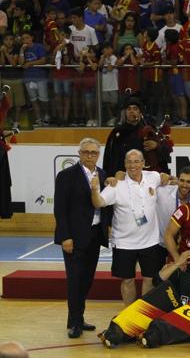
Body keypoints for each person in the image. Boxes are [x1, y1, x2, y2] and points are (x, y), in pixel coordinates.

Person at [90, 149, 168, 305]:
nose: (133, 165)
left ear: (143, 163)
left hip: (151, 241)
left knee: (149, 280)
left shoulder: (153, 177)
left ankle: (143, 314)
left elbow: (167, 178)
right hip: (124, 243)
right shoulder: (116, 184)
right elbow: (98, 202)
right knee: (127, 281)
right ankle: (129, 315)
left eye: (137, 161)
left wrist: (166, 177)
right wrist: (94, 189)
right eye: (129, 162)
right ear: (124, 164)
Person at [54, 138, 111, 338]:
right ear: (79, 153)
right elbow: (60, 209)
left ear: (98, 154)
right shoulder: (66, 176)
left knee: (87, 280)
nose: (89, 155)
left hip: (95, 236)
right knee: (75, 281)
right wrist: (65, 237)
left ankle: (77, 317)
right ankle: (75, 323)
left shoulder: (103, 174)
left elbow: (105, 204)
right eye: (85, 152)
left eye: (93, 152)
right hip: (74, 239)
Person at [102, 96, 172, 177]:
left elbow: (165, 153)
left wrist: (156, 145)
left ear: (140, 112)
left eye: (135, 109)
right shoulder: (118, 132)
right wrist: (110, 176)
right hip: (122, 178)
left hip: (146, 178)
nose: (131, 111)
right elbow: (109, 157)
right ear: (125, 112)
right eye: (128, 109)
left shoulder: (149, 131)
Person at [156, 166, 190, 262]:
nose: (184, 185)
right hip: (160, 245)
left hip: (183, 248)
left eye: (189, 182)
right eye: (182, 180)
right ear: (177, 180)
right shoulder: (162, 192)